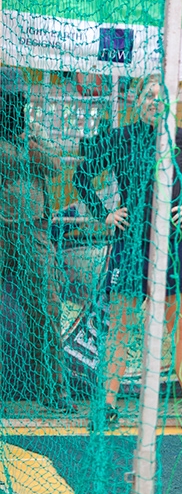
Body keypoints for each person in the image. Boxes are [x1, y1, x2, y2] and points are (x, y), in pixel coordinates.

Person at [73, 75, 182, 426]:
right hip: (131, 246)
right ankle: (107, 404)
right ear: (136, 101)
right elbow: (81, 176)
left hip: (173, 245)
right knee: (120, 326)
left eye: (160, 96)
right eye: (148, 95)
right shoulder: (120, 138)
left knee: (180, 325)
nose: (155, 101)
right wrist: (105, 214)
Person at [0, 66, 76, 413]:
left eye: (18, 99)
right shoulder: (21, 139)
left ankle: (54, 390)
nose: (14, 105)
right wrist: (25, 154)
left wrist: (28, 147)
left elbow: (56, 165)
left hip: (33, 230)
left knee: (46, 308)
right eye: (9, 99)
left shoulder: (29, 132)